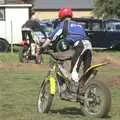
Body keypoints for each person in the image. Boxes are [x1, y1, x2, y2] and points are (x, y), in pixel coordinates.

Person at [39, 8, 92, 95]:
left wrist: (42, 48)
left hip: (80, 46)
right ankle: (85, 91)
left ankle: (74, 91)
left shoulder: (63, 24)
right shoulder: (78, 24)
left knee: (74, 71)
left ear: (61, 16)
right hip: (89, 46)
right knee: (86, 72)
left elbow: (51, 38)